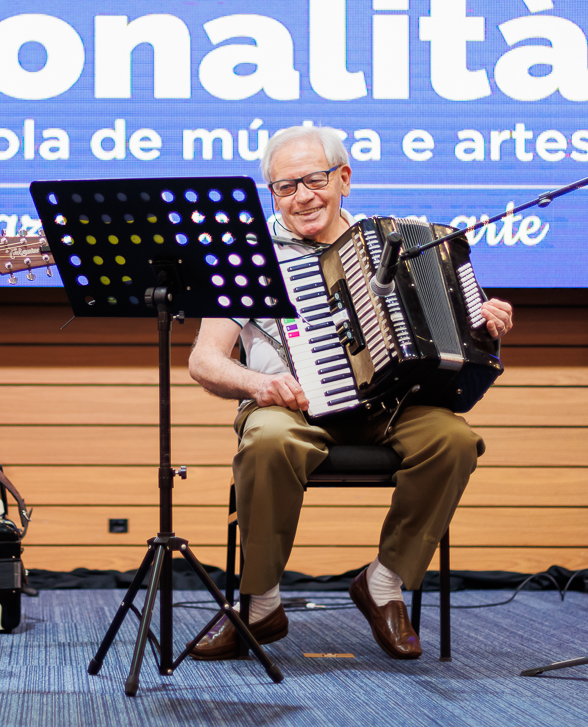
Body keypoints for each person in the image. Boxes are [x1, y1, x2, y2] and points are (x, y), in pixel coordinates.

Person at [186, 125, 514, 661]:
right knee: (267, 440)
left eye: (314, 180)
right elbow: (204, 360)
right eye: (285, 187)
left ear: (343, 178)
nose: (302, 197)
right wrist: (259, 383)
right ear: (271, 193)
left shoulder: (393, 245)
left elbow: (450, 328)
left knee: (454, 441)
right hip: (291, 408)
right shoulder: (248, 254)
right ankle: (260, 604)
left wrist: (485, 323)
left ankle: (383, 583)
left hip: (389, 406)